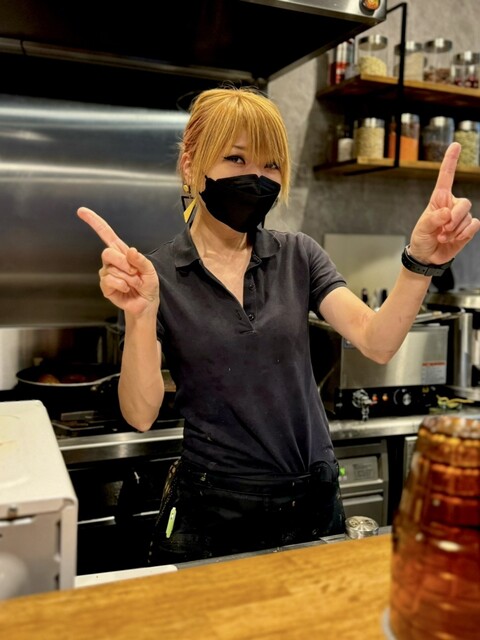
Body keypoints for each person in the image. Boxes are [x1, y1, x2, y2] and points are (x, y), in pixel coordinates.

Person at [78, 86, 479, 564]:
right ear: (191, 165)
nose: (257, 178)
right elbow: (141, 414)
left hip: (313, 498)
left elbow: (377, 341)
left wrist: (419, 264)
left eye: (270, 165)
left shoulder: (299, 255)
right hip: (213, 508)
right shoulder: (157, 275)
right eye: (236, 158)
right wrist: (141, 314)